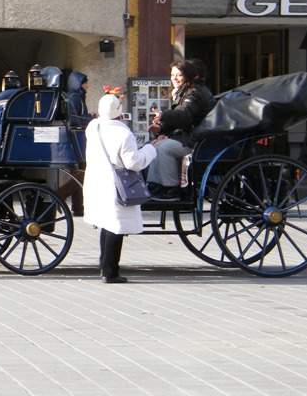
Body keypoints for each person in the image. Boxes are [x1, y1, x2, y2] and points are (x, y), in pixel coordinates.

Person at [84, 90, 157, 283]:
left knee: (106, 225)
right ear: (119, 110)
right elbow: (133, 163)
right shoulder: (123, 133)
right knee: (115, 228)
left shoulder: (93, 127)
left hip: (97, 180)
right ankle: (110, 272)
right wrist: (150, 149)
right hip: (115, 184)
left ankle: (104, 267)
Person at [147, 59, 215, 202]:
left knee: (164, 148)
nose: (175, 79)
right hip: (189, 136)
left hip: (198, 139)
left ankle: (172, 188)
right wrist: (161, 128)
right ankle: (154, 185)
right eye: (172, 75)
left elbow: (184, 114)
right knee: (154, 145)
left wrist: (163, 115)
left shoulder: (195, 93)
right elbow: (181, 118)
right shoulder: (184, 91)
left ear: (189, 76)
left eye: (179, 75)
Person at [57, 71, 94, 217]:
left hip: (76, 139)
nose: (87, 85)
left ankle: (78, 207)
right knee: (82, 172)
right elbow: (75, 119)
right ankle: (61, 194)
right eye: (85, 83)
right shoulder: (74, 98)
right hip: (77, 140)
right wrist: (90, 120)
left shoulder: (75, 97)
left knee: (78, 171)